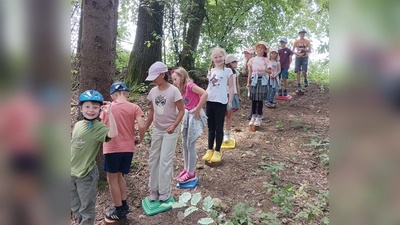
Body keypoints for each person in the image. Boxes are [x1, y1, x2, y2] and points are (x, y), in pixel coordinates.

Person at [71, 90, 118, 225]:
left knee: (86, 208)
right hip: (70, 172)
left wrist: (110, 114)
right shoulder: (78, 124)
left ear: (99, 109)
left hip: (85, 175)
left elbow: (113, 133)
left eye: (95, 107)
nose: (91, 110)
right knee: (74, 205)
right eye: (87, 107)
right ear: (81, 108)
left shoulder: (98, 128)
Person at [100, 81, 146, 220]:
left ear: (113, 96)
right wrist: (140, 139)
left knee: (111, 179)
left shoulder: (108, 108)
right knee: (120, 176)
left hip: (112, 148)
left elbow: (102, 126)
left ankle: (119, 209)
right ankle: (123, 204)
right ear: (127, 93)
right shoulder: (134, 107)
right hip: (128, 148)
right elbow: (142, 126)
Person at [145, 61, 185, 201]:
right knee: (153, 158)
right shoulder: (153, 91)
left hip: (170, 130)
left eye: (154, 77)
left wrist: (174, 126)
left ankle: (164, 190)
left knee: (165, 160)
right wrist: (145, 126)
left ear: (162, 75)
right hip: (157, 129)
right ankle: (154, 188)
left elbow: (181, 110)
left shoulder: (173, 91)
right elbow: (152, 111)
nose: (153, 80)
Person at [171, 67, 208, 183]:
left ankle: (191, 172)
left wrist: (197, 109)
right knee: (184, 143)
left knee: (190, 144)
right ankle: (186, 169)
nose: (174, 82)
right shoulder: (180, 89)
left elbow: (205, 94)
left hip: (194, 116)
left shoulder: (189, 85)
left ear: (182, 77)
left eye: (175, 79)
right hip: (187, 116)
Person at [202, 47, 234, 163]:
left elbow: (231, 87)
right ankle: (209, 149)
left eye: (220, 56)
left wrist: (230, 101)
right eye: (216, 57)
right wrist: (203, 97)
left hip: (221, 102)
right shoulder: (211, 71)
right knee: (210, 127)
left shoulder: (228, 71)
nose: (218, 59)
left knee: (218, 127)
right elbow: (209, 87)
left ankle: (217, 151)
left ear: (224, 57)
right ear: (213, 59)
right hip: (210, 101)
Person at [246, 41, 271, 127]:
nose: (260, 49)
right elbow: (250, 72)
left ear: (264, 50)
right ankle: (253, 116)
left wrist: (264, 70)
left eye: (262, 48)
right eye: (258, 47)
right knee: (253, 99)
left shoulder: (266, 60)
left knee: (260, 99)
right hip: (254, 80)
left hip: (262, 80)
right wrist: (248, 82)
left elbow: (270, 71)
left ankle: (259, 116)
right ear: (256, 49)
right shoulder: (252, 60)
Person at [224, 54, 242, 142]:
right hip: (223, 95)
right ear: (229, 63)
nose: (236, 63)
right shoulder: (223, 71)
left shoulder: (236, 72)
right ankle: (220, 132)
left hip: (233, 94)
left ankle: (227, 133)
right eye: (234, 62)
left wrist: (238, 95)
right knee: (221, 115)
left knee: (229, 114)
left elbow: (237, 84)